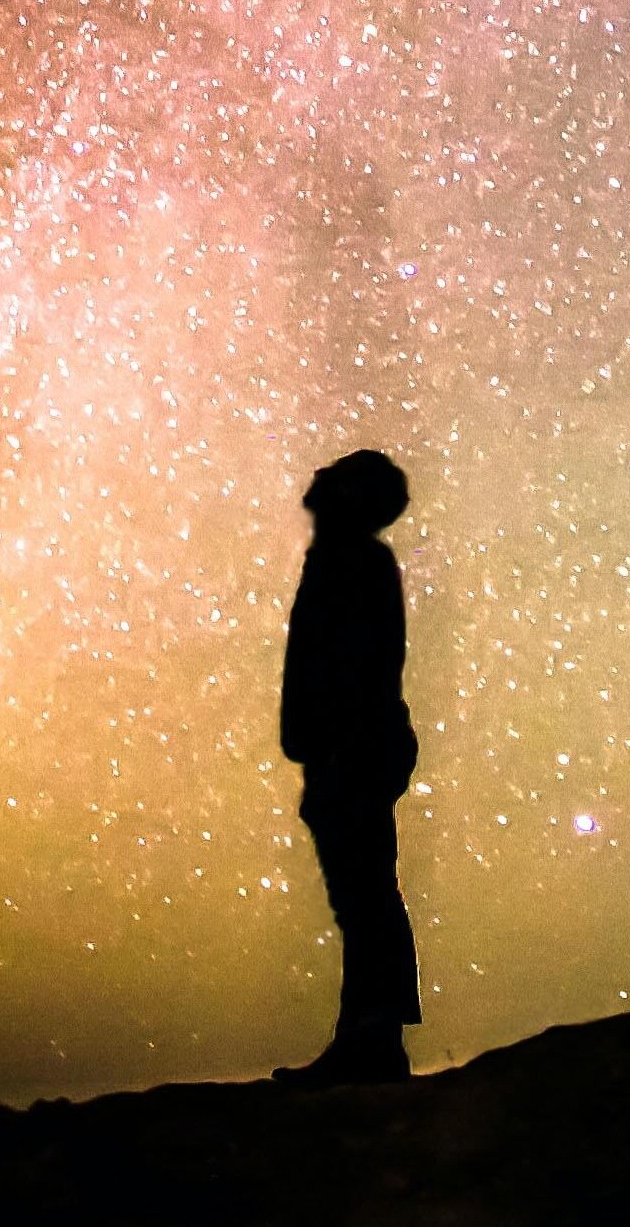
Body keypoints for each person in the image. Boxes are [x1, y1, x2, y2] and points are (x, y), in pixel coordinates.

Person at [277, 450, 421, 1083]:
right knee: (360, 895)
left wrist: (336, 747)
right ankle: (366, 1036)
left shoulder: (352, 564)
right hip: (348, 749)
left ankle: (372, 1039)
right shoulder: (348, 561)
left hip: (353, 750)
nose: (314, 480)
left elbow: (356, 669)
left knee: (363, 895)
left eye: (332, 478)